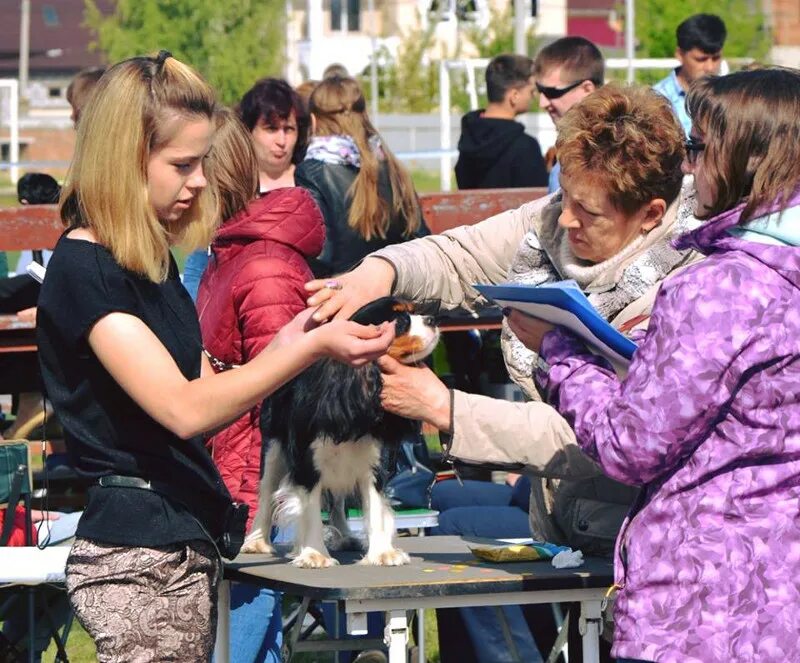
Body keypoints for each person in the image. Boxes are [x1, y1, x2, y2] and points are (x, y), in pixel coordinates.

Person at [305, 84, 700, 662]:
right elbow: (456, 256)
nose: (563, 218)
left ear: (650, 215)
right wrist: (377, 274)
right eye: (563, 194)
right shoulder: (554, 226)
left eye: (586, 210)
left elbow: (605, 439)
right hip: (564, 515)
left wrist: (446, 409)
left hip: (638, 545)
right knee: (455, 535)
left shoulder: (691, 289)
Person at [34, 51, 394, 661]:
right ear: (124, 161)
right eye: (183, 164)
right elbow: (184, 407)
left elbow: (212, 383)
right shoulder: (86, 271)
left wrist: (303, 332)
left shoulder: (145, 262)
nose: (200, 180)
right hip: (138, 559)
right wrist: (308, 346)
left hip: (177, 541)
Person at [512, 66, 800, 663]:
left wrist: (559, 352)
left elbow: (629, 446)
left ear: (746, 157)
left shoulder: (720, 289)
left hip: (698, 606)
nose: (691, 165)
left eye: (700, 147)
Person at [196, 107, 325, 663]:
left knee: (237, 647)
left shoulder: (264, 265)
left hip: (253, 491)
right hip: (228, 476)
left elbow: (286, 395)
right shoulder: (226, 253)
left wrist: (262, 511)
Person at [182, 77, 310, 300]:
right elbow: (196, 274)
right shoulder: (225, 185)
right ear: (248, 131)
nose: (282, 140)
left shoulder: (309, 184)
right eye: (271, 128)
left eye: (289, 129)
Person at [296, 75, 429, 278]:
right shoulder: (389, 163)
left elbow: (322, 254)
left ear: (313, 120)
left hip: (344, 293)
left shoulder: (311, 171)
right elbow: (419, 234)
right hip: (396, 289)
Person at [455, 53, 547, 189]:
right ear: (514, 96)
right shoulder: (525, 147)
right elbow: (539, 202)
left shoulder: (469, 139)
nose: (533, 98)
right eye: (531, 91)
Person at [533, 37, 604, 193]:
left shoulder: (613, 153)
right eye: (540, 91)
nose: (543, 103)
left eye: (552, 92)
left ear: (587, 89)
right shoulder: (570, 147)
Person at [653, 13, 727, 136]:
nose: (710, 67)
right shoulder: (657, 100)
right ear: (679, 54)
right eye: (701, 59)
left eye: (716, 58)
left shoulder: (731, 97)